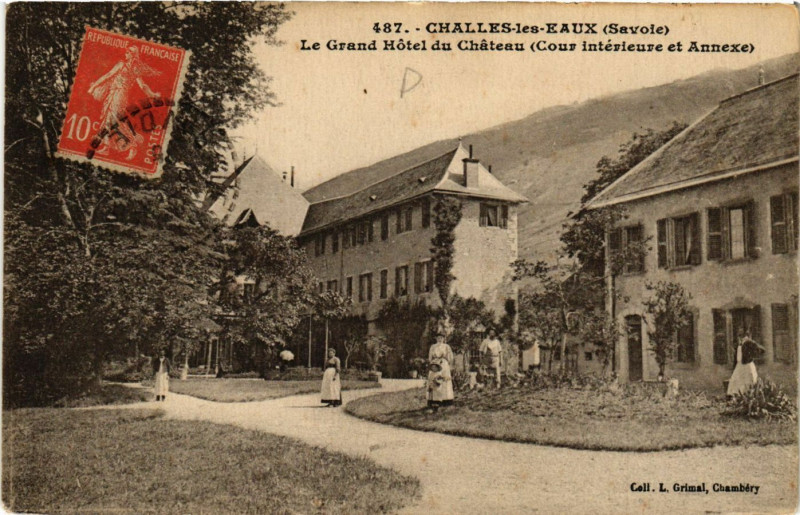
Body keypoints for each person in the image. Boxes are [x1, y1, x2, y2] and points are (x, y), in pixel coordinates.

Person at [87, 46, 161, 160]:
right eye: (126, 51)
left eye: (128, 52)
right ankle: (107, 147)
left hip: (120, 96)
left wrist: (152, 94)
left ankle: (133, 145)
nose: (126, 53)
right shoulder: (124, 65)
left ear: (133, 55)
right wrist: (94, 86)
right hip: (113, 94)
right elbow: (108, 76)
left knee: (117, 120)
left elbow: (142, 85)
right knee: (107, 120)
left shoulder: (130, 68)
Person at [727, 329, 765, 396]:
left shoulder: (749, 343)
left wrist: (751, 356)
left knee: (748, 382)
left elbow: (762, 350)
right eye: (739, 336)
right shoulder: (739, 345)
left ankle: (747, 396)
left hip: (747, 366)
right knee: (737, 383)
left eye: (742, 336)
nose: (740, 338)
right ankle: (738, 397)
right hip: (739, 367)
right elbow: (737, 359)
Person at [427, 330, 455, 411]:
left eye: (441, 338)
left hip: (443, 364)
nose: (440, 339)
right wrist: (433, 362)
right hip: (435, 364)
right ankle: (434, 400)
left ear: (444, 338)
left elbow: (450, 357)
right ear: (436, 338)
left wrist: (446, 360)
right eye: (438, 338)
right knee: (434, 380)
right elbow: (430, 357)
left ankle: (446, 400)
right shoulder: (433, 347)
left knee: (444, 380)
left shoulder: (446, 346)